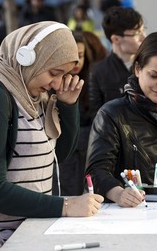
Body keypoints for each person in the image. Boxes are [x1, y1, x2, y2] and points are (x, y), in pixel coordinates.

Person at [0, 21, 104, 251]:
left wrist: (67, 106)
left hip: (26, 233)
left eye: (63, 75)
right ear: (27, 57)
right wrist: (66, 206)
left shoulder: (34, 95)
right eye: (54, 73)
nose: (57, 83)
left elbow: (58, 156)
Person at [86, 32, 157, 207]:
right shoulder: (112, 114)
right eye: (154, 75)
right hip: (117, 217)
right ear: (137, 69)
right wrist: (119, 193)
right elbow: (96, 172)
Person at [54, 30, 107, 196]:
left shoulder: (92, 80)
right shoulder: (52, 83)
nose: (77, 61)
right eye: (72, 56)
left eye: (81, 55)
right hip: (63, 154)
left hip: (87, 151)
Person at [89, 6, 145, 119]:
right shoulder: (98, 71)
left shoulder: (149, 66)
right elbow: (96, 116)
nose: (144, 37)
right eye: (137, 33)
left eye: (143, 30)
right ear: (116, 39)